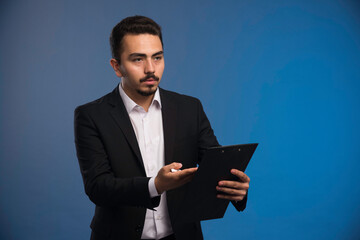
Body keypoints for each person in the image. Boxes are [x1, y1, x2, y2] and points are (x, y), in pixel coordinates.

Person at [74, 16, 250, 240]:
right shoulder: (91, 115)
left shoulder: (190, 108)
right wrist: (155, 185)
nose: (150, 68)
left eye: (157, 57)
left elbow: (214, 168)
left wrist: (237, 190)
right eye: (138, 59)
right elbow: (98, 187)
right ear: (117, 66)